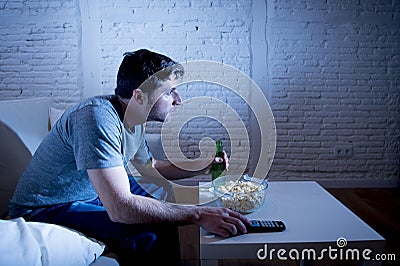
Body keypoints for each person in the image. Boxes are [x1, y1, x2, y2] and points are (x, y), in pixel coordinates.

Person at [9, 49, 249, 265]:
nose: (179, 100)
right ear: (140, 96)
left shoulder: (132, 117)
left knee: (166, 196)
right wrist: (197, 214)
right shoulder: (97, 119)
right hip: (46, 207)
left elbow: (149, 167)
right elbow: (120, 209)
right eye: (170, 92)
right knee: (152, 230)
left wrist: (200, 167)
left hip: (93, 191)